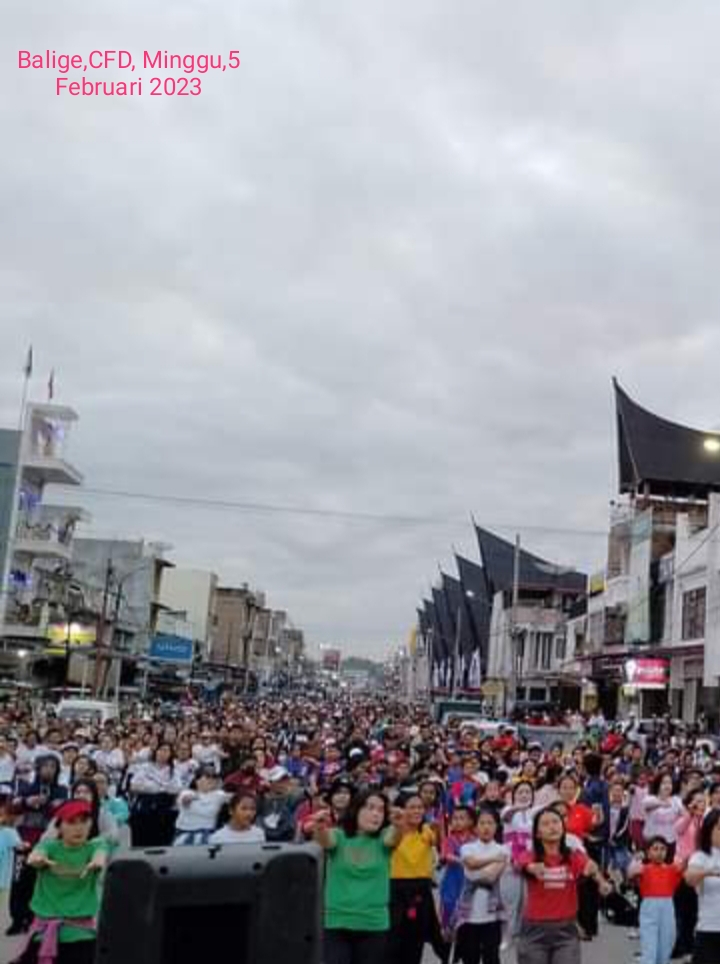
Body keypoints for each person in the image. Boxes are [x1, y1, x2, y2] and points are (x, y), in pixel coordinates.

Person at [314, 789, 402, 964]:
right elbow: (325, 841)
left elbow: (393, 839)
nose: (376, 814)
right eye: (370, 808)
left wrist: (399, 825)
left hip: (373, 923)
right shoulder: (339, 836)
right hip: (337, 921)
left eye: (381, 810)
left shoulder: (383, 838)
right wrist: (320, 826)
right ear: (356, 810)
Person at [13, 799, 107, 964]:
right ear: (59, 826)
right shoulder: (49, 846)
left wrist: (98, 861)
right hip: (43, 934)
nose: (79, 828)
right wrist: (38, 859)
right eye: (71, 822)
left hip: (80, 936)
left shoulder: (95, 846)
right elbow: (36, 855)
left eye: (84, 821)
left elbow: (100, 855)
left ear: (91, 823)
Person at [515, 806, 608, 964]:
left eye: (556, 822)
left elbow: (591, 866)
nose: (552, 827)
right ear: (537, 833)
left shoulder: (574, 856)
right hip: (535, 930)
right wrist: (532, 868)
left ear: (563, 827)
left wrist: (601, 882)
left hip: (566, 930)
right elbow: (520, 863)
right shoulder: (531, 856)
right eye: (546, 824)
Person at [389, 792, 448, 964]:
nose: (417, 811)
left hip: (421, 892)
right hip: (395, 892)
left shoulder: (426, 832)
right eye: (412, 807)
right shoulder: (391, 834)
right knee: (393, 943)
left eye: (420, 807)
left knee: (415, 943)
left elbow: (436, 841)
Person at [454, 808, 508, 964]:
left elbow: (490, 876)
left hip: (492, 915)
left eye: (490, 823)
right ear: (475, 827)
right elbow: (470, 865)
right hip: (468, 915)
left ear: (497, 826)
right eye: (482, 823)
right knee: (470, 957)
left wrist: (477, 870)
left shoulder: (503, 849)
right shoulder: (467, 848)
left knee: (491, 958)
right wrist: (493, 860)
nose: (486, 827)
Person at [628, 836, 683, 964]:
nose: (659, 852)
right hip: (649, 909)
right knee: (649, 948)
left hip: (667, 909)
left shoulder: (671, 869)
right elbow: (630, 873)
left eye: (663, 849)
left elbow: (684, 866)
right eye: (655, 849)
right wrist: (636, 860)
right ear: (648, 852)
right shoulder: (644, 868)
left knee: (665, 947)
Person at [685, 808, 720, 964]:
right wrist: (709, 872)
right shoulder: (700, 856)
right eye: (719, 827)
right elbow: (689, 878)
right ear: (708, 829)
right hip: (709, 928)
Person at [129, 743, 180, 847]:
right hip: (145, 805)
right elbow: (134, 786)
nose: (163, 753)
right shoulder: (145, 767)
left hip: (164, 808)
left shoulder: (173, 771)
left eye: (166, 751)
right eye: (160, 750)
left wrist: (156, 788)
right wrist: (158, 788)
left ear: (170, 754)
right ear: (156, 752)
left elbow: (177, 788)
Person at [439, 806, 476, 938]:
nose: (457, 821)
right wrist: (463, 860)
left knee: (467, 904)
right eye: (455, 818)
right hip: (452, 878)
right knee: (449, 903)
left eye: (461, 818)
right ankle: (447, 930)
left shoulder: (474, 840)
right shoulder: (449, 839)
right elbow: (447, 856)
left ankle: (464, 930)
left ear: (471, 821)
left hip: (468, 878)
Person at [174, 767, 229, 846]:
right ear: (197, 780)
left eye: (214, 777)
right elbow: (184, 801)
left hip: (207, 832)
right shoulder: (186, 792)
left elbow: (234, 798)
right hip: (184, 831)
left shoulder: (219, 794)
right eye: (207, 776)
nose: (211, 779)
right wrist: (190, 798)